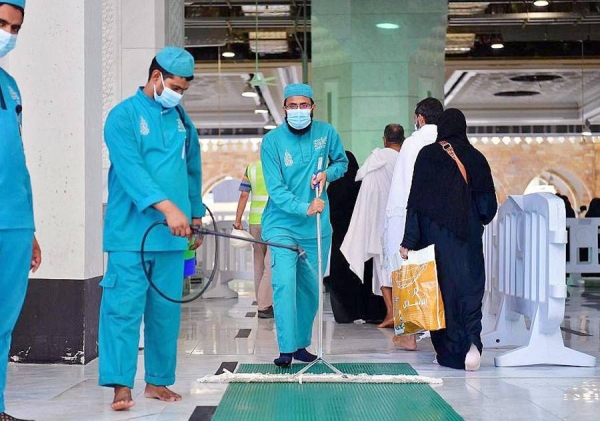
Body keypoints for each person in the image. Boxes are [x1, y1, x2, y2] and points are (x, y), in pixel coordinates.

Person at [100, 46, 204, 411]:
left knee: (165, 313)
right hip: (131, 234)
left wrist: (193, 215)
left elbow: (192, 165)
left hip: (172, 237)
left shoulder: (179, 118)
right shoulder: (122, 116)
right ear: (156, 77)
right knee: (123, 309)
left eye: (185, 89)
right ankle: (120, 385)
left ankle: (157, 381)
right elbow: (130, 169)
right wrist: (168, 207)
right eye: (176, 86)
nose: (179, 94)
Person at [400, 108, 497, 371]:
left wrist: (408, 241)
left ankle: (447, 352)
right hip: (467, 241)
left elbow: (415, 204)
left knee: (440, 294)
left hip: (433, 243)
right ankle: (472, 345)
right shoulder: (476, 158)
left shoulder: (427, 155)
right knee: (468, 290)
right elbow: (488, 208)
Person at [260, 83, 348, 367]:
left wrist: (327, 173)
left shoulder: (327, 133)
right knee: (284, 283)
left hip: (316, 228)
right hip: (281, 223)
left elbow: (342, 162)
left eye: (304, 105)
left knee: (310, 290)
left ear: (313, 106)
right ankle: (286, 349)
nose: (299, 110)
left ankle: (300, 345)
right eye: (292, 106)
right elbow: (276, 188)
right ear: (284, 108)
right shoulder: (272, 142)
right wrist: (304, 207)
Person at [0, 2, 42, 420]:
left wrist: (29, 227)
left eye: (14, 27)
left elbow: (18, 160)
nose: (8, 33)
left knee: (3, 322)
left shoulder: (11, 87)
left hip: (12, 220)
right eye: (1, 23)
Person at [382, 98, 443, 340]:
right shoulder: (447, 140)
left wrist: (397, 231)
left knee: (410, 272)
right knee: (439, 274)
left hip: (411, 216)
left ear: (419, 117)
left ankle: (409, 335)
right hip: (441, 220)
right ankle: (438, 326)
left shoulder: (413, 143)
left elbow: (402, 188)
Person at [341, 125, 404, 324]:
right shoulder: (407, 159)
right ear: (402, 139)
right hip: (404, 223)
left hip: (380, 223)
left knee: (382, 269)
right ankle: (402, 313)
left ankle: (391, 311)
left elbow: (364, 186)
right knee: (404, 269)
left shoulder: (376, 159)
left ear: (384, 139)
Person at [326, 151, 382, 323]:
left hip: (339, 241)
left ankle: (345, 313)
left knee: (341, 277)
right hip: (361, 238)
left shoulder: (334, 187)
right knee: (363, 275)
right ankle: (370, 313)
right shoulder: (362, 183)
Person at [233, 160, 274, 318]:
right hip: (273, 220)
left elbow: (244, 194)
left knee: (259, 265)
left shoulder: (251, 168)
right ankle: (265, 305)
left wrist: (238, 220)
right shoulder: (278, 163)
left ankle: (262, 303)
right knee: (270, 264)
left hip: (255, 221)